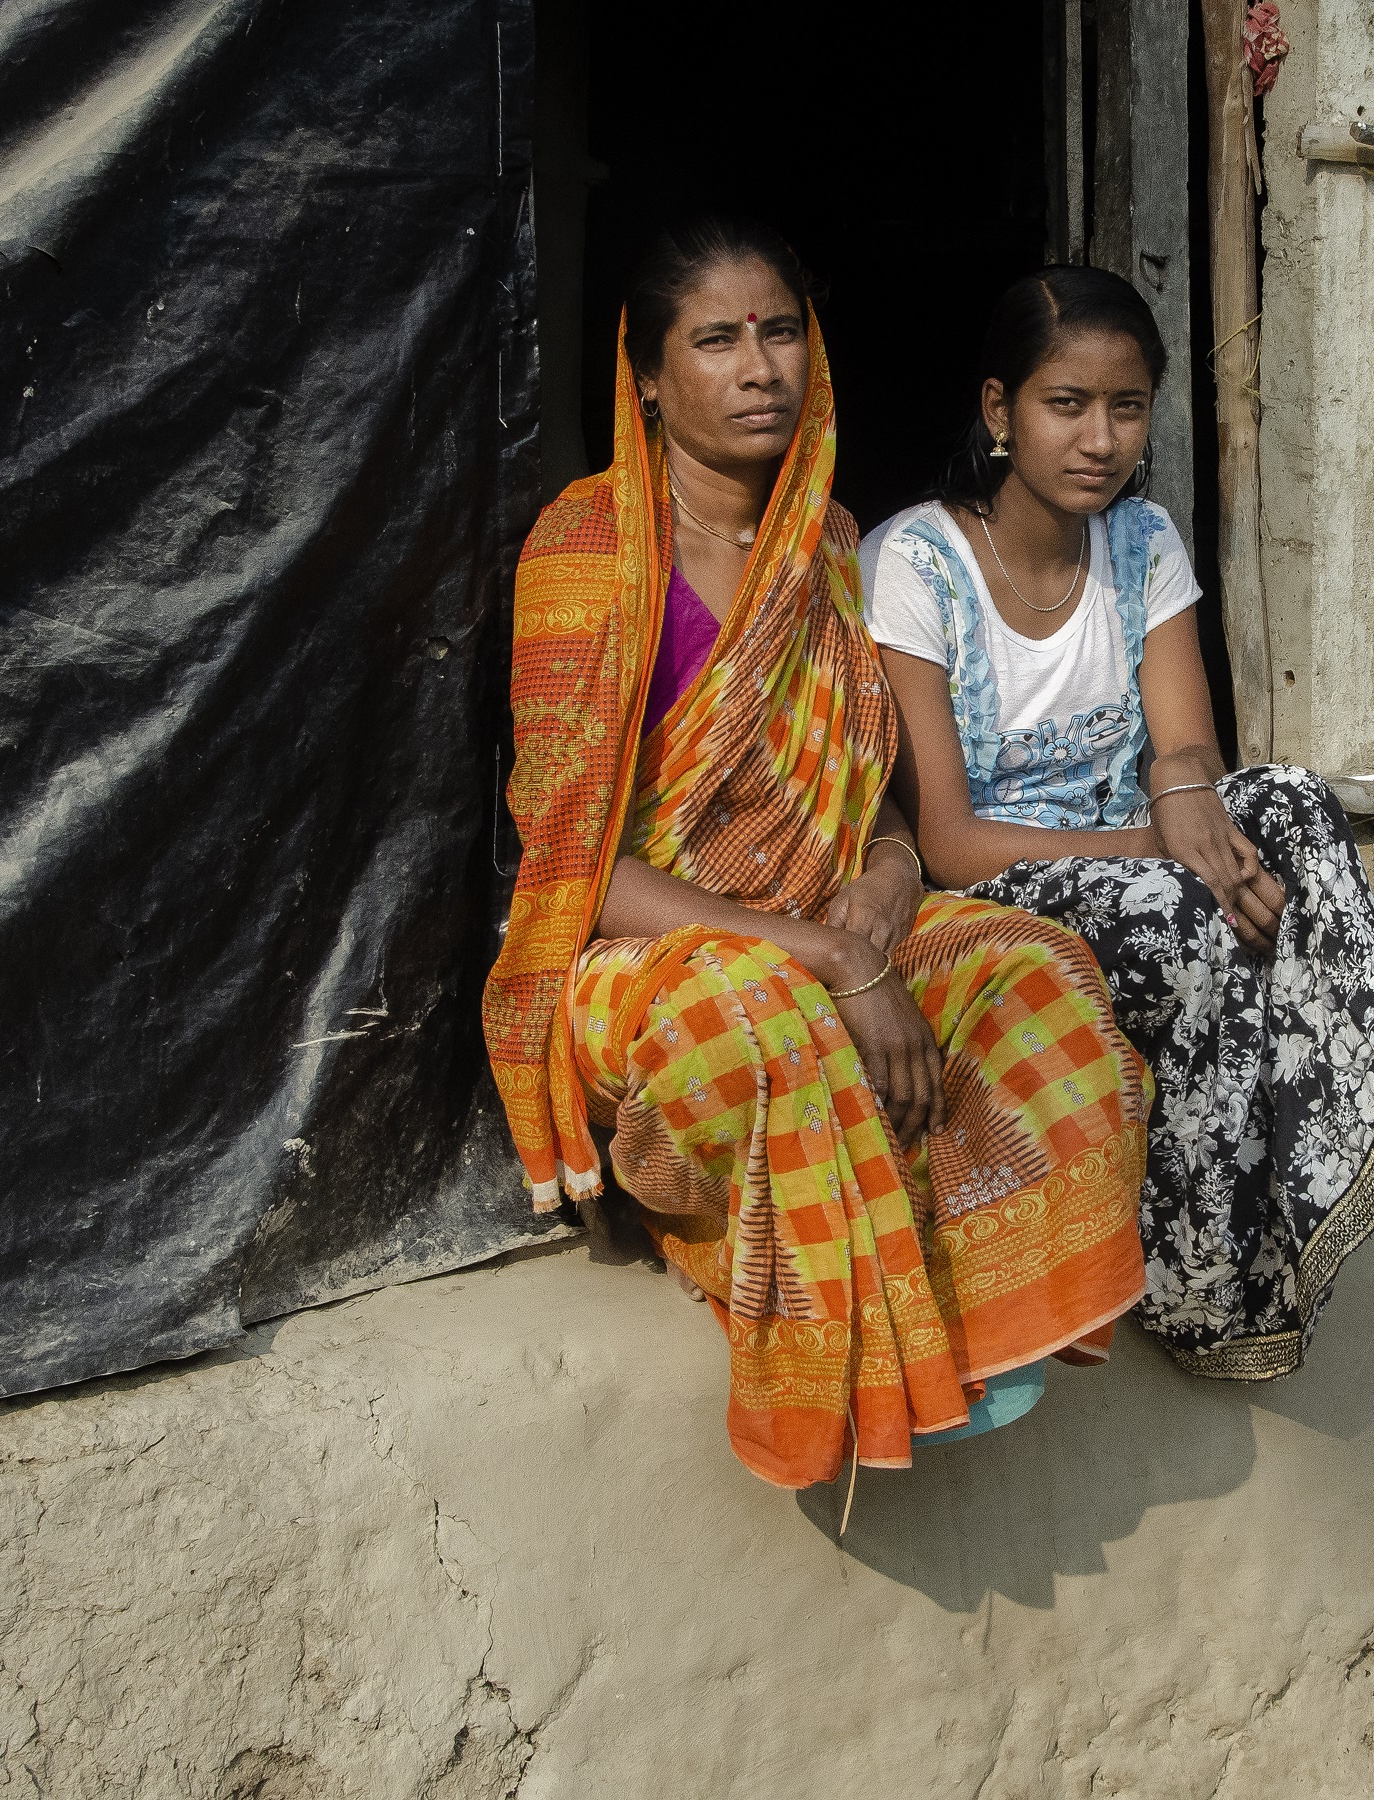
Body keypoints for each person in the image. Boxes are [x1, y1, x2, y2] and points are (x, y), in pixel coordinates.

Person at [483, 220, 1153, 1490]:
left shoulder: (834, 552)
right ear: (644, 371)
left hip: (834, 919)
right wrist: (829, 954)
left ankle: (991, 1318)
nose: (759, 368)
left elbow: (875, 801)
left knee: (1034, 970)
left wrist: (893, 880)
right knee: (764, 1026)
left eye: (781, 332)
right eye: (717, 339)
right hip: (654, 955)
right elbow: (572, 866)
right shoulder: (586, 553)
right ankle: (843, 1355)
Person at [860, 266, 1374, 1382]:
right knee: (1189, 906)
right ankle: (1193, 1265)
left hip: (1140, 847)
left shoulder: (1141, 540)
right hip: (1000, 879)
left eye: (1126, 408)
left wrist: (1186, 798)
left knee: (1292, 802)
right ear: (999, 412)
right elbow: (946, 837)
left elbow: (1191, 750)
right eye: (1065, 405)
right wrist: (1160, 840)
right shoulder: (914, 564)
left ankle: (1339, 1122)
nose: (1100, 439)